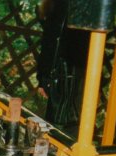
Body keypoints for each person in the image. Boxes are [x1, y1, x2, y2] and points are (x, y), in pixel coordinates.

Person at [36, 0, 91, 133]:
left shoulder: (62, 6)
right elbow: (53, 42)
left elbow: (51, 43)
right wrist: (44, 77)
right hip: (68, 71)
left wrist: (43, 77)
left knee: (61, 123)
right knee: (65, 124)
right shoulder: (69, 6)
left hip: (68, 71)